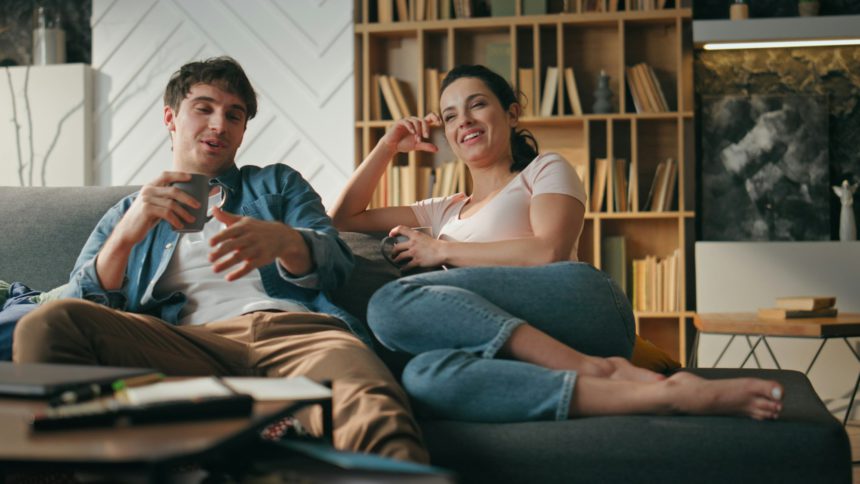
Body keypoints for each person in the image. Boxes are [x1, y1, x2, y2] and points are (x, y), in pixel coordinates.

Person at [13, 57, 427, 463]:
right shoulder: (128, 212)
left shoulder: (276, 184)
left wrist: (286, 242)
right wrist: (127, 235)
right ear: (171, 118)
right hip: (185, 344)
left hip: (296, 334)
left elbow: (338, 264)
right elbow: (80, 303)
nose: (219, 125)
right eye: (204, 108)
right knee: (48, 324)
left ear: (243, 131)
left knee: (372, 410)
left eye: (234, 115)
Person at [330, 64, 784, 423]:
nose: (462, 120)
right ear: (445, 135)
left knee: (391, 303)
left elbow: (547, 250)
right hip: (511, 343)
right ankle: (657, 396)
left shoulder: (545, 169)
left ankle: (596, 367)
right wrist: (387, 146)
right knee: (426, 377)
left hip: (579, 307)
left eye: (477, 105)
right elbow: (342, 219)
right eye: (450, 116)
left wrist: (442, 251)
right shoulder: (442, 209)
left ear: (510, 113)